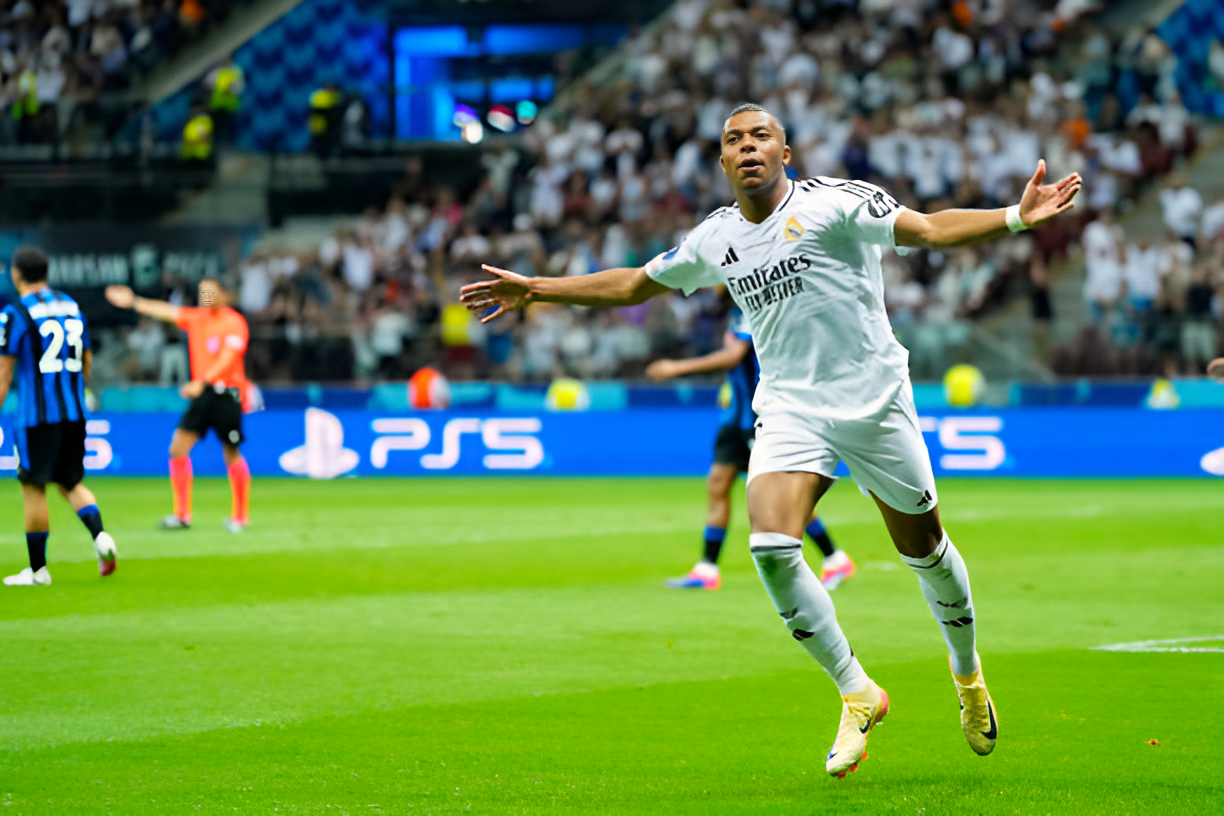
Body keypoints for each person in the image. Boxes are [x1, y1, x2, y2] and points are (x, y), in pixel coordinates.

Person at [461, 103, 1081, 779]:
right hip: (789, 407)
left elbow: (929, 229)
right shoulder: (715, 239)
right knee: (771, 547)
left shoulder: (837, 204)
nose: (748, 147)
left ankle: (966, 677)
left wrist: (1016, 217)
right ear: (724, 162)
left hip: (875, 401)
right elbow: (637, 283)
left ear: (786, 153)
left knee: (927, 553)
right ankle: (856, 691)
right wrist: (539, 290)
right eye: (734, 140)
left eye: (761, 137)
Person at [646, 301, 855, 591]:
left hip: (757, 417)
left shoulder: (750, 307)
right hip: (733, 416)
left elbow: (735, 357)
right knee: (718, 484)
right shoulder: (732, 315)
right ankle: (707, 568)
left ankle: (834, 558)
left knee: (782, 495)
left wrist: (677, 367)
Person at [0, 246, 117, 586]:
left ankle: (38, 571)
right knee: (70, 481)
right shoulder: (71, 305)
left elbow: (4, 372)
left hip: (37, 417)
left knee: (34, 487)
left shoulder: (16, 313)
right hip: (74, 411)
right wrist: (78, 392)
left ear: (17, 273)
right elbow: (88, 357)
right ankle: (101, 538)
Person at [104, 278, 251, 533]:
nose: (207, 297)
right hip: (202, 394)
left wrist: (203, 381)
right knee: (178, 448)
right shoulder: (197, 318)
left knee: (231, 453)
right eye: (203, 292)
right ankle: (182, 514)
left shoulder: (234, 322)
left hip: (226, 394)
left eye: (211, 292)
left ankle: (240, 516)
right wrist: (133, 302)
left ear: (223, 295)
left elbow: (229, 358)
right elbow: (166, 311)